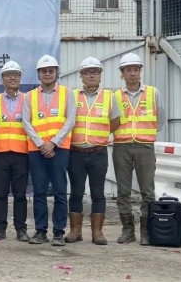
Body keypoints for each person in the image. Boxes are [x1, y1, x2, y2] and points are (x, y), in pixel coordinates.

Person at [65, 57, 120, 245]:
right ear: (81, 76)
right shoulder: (72, 96)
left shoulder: (109, 97)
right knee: (76, 192)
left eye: (95, 72)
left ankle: (97, 232)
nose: (91, 75)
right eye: (87, 72)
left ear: (100, 76)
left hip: (98, 152)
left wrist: (99, 135)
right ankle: (75, 231)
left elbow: (115, 122)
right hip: (76, 152)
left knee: (98, 192)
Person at [22, 54, 75, 246]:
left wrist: (53, 143)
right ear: (38, 74)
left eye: (50, 71)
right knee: (39, 192)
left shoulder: (67, 93)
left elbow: (70, 120)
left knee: (60, 191)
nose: (47, 74)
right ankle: (40, 231)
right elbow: (26, 122)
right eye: (43, 71)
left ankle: (58, 232)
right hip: (37, 151)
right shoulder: (29, 96)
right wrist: (41, 144)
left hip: (59, 149)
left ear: (56, 73)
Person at [113, 53, 164, 246]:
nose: (132, 73)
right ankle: (128, 231)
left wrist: (145, 135)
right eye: (128, 70)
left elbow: (160, 120)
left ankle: (146, 231)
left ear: (140, 71)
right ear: (122, 73)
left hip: (145, 147)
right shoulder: (115, 96)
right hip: (121, 146)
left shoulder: (153, 93)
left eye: (136, 69)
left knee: (147, 191)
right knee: (123, 191)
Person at [0, 60, 30, 242]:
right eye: (8, 75)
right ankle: (0, 228)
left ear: (20, 78)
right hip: (0, 154)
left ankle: (21, 229)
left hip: (22, 154)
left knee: (20, 194)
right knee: (1, 193)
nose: (12, 78)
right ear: (2, 79)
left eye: (16, 74)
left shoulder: (28, 99)